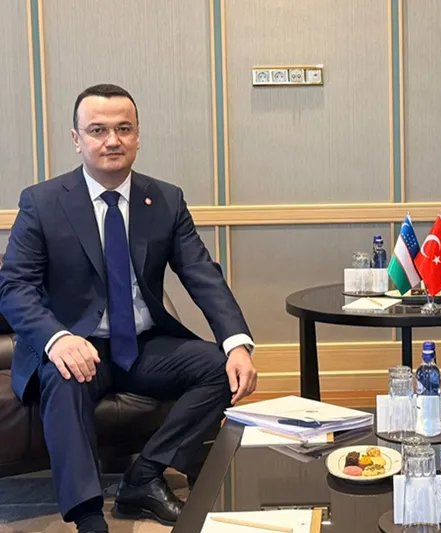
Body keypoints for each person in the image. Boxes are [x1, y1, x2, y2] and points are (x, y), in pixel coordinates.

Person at [0, 84, 258, 533]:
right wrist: (57, 339)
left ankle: (144, 476)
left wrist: (236, 342)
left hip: (143, 345)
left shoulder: (166, 199)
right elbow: (14, 287)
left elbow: (200, 272)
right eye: (98, 130)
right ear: (77, 139)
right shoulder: (42, 202)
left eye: (123, 129)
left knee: (220, 368)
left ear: (138, 136)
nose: (112, 140)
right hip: (76, 344)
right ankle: (88, 518)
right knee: (63, 375)